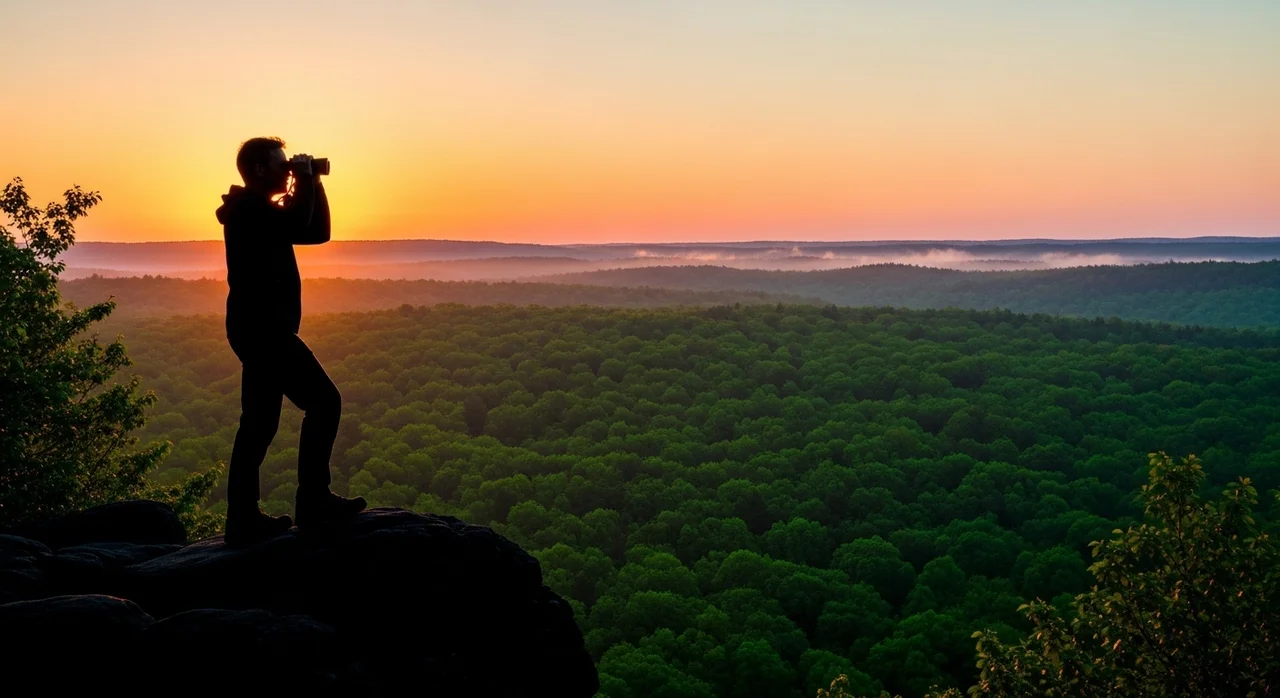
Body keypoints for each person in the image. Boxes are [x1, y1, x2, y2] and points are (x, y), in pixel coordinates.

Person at [214, 137, 366, 546]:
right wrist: (305, 179)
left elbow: (316, 233)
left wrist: (314, 182)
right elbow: (300, 224)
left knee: (259, 425)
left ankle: (243, 520)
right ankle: (312, 501)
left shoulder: (256, 210)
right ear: (260, 169)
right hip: (264, 330)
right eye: (282, 164)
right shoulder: (250, 210)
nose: (287, 170)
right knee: (324, 402)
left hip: (256, 328)